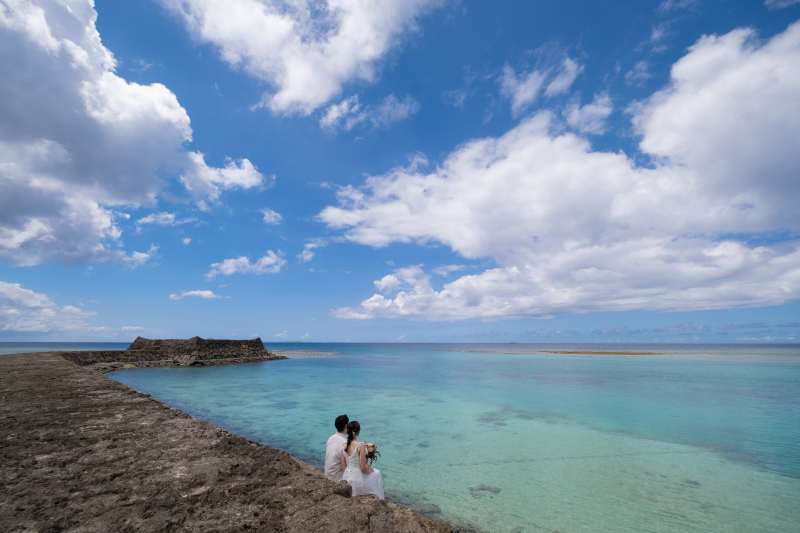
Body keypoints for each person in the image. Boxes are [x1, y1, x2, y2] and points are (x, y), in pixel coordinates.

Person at [341, 420, 384, 499]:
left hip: (346, 478)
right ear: (358, 432)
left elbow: (344, 467)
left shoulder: (343, 446)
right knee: (377, 473)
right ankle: (380, 499)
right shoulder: (361, 445)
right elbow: (363, 468)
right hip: (357, 481)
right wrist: (370, 470)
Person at [324, 414, 349, 481]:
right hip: (337, 477)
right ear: (346, 426)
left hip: (327, 474)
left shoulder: (331, 438)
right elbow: (348, 464)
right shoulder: (345, 443)